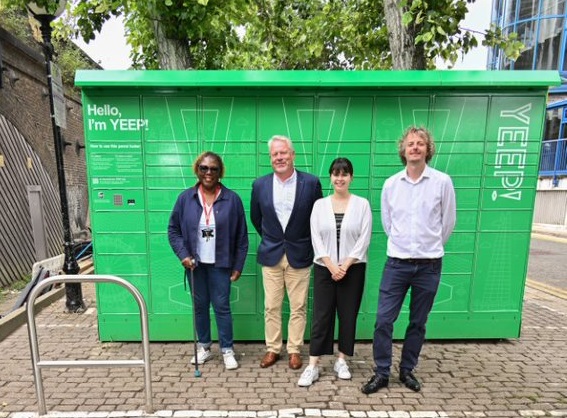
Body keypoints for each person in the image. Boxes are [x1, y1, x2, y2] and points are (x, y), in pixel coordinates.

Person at [361, 126, 456, 394]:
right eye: (410, 144)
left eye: (420, 144)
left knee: (417, 322)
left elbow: (447, 223)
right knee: (383, 320)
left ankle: (407, 370)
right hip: (398, 264)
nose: (415, 147)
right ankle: (381, 372)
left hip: (429, 265)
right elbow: (388, 224)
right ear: (403, 150)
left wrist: (429, 245)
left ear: (428, 149)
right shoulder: (391, 184)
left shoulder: (442, 182)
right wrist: (405, 245)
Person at [168, 151, 248, 371]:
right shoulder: (186, 198)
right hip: (195, 265)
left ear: (220, 171)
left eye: (213, 168)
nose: (209, 172)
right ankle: (204, 346)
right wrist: (183, 255)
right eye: (204, 168)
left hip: (221, 264)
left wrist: (238, 265)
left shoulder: (232, 199)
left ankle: (227, 350)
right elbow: (173, 230)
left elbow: (242, 236)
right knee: (200, 307)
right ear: (197, 170)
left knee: (222, 307)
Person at [297, 157, 372, 387]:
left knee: (348, 315)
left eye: (344, 173)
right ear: (330, 177)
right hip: (324, 268)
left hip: (353, 268)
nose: (340, 178)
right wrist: (330, 265)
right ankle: (313, 364)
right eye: (336, 173)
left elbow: (364, 238)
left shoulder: (362, 204)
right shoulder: (320, 205)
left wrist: (346, 265)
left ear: (351, 177)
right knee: (321, 317)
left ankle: (342, 360)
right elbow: (316, 237)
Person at [251, 135, 323, 370]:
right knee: (271, 306)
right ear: (270, 158)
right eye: (275, 154)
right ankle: (273, 348)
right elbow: (256, 218)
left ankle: (294, 349)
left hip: (300, 254)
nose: (279, 157)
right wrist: (272, 238)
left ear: (292, 155)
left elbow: (318, 217)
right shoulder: (259, 185)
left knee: (298, 306)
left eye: (283, 153)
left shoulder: (311, 183)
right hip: (271, 253)